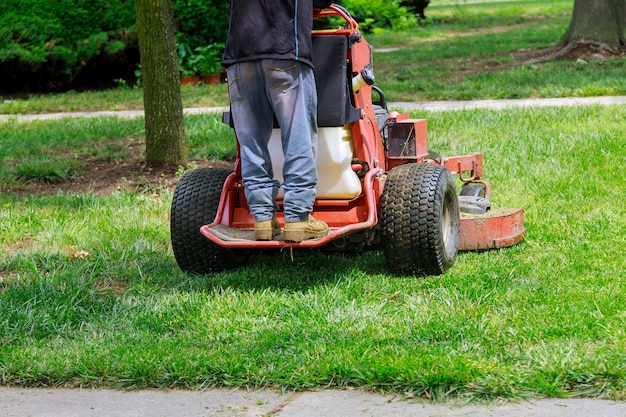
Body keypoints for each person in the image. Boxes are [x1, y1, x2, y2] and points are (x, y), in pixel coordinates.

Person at [222, 0, 332, 242]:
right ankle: (297, 218)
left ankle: (262, 219)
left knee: (250, 141)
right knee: (297, 135)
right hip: (284, 51)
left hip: (240, 56)